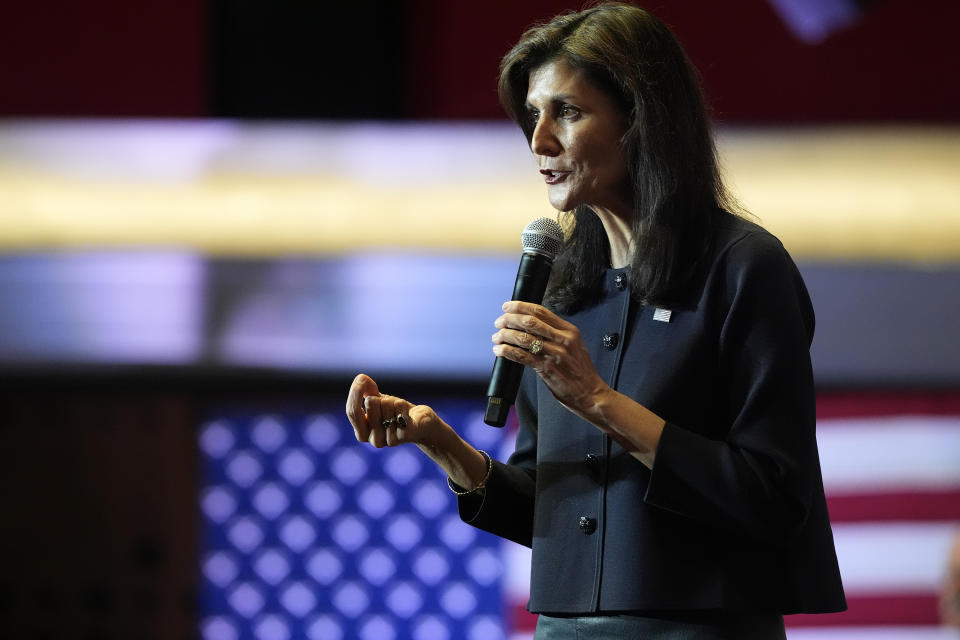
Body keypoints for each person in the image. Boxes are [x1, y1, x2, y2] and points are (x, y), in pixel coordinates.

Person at [346, 3, 846, 637]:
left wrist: (597, 400)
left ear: (640, 120)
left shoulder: (743, 268)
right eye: (533, 114)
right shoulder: (558, 290)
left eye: (569, 112)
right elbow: (550, 509)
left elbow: (775, 497)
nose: (539, 141)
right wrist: (441, 444)